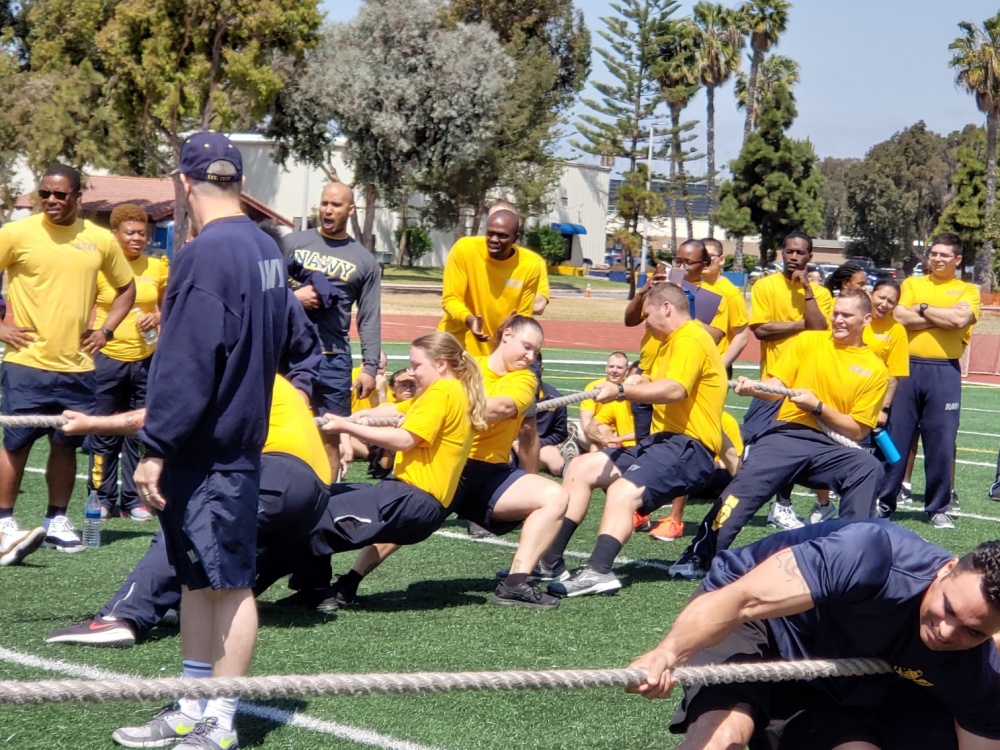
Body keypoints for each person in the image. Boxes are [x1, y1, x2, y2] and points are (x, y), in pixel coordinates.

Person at [119, 132, 292, 750]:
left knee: (228, 581)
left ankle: (219, 717)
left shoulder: (203, 253)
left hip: (208, 449)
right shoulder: (266, 245)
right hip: (233, 442)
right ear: (237, 183)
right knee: (197, 578)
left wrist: (157, 445)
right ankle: (195, 703)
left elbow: (189, 361)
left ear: (186, 185)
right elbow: (299, 341)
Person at [629, 521, 1000, 750]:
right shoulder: (871, 555)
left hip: (835, 672)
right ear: (947, 568)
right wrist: (668, 652)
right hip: (757, 621)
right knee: (724, 738)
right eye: (948, 608)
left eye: (972, 630)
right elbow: (742, 601)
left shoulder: (977, 666)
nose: (946, 631)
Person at [44, 374, 330, 652]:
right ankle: (179, 608)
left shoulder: (225, 373)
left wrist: (92, 423)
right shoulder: (267, 377)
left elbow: (162, 420)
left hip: (279, 475)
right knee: (226, 551)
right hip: (315, 495)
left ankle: (120, 617)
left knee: (186, 531)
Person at [324, 316, 570, 610]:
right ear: (505, 335)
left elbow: (503, 406)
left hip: (491, 475)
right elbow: (409, 406)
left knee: (555, 495)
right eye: (526, 347)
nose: (531, 356)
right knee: (399, 523)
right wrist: (361, 417)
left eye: (536, 351)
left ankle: (515, 583)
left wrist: (448, 405)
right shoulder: (467, 367)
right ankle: (347, 584)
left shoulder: (524, 378)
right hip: (448, 466)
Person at [254, 332, 487, 607]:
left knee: (312, 520)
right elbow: (396, 409)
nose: (411, 373)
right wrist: (357, 415)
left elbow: (406, 439)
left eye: (416, 365)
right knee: (318, 499)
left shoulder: (443, 391)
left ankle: (238, 592)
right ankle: (312, 588)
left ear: (441, 365)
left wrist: (346, 427)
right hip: (408, 498)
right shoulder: (447, 392)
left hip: (411, 500)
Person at [669, 289, 888, 581]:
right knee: (743, 488)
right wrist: (754, 387)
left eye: (846, 315)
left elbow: (858, 429)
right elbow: (774, 387)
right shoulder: (808, 341)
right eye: (835, 313)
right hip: (787, 435)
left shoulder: (875, 370)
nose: (838, 320)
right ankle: (700, 554)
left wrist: (818, 407)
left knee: (868, 467)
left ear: (867, 319)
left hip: (831, 446)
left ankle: (847, 559)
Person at [542, 282, 727, 599]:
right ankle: (548, 562)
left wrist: (624, 390)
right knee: (581, 468)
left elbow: (675, 390)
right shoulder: (669, 343)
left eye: (648, 313)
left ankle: (598, 572)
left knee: (622, 490)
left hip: (688, 446)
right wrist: (636, 379)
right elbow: (652, 379)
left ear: (666, 308)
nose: (646, 321)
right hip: (660, 441)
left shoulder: (692, 338)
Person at [0, 163, 136, 559]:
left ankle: (56, 519)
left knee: (65, 445)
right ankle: (4, 521)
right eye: (45, 194)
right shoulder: (16, 233)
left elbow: (126, 288)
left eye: (61, 194)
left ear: (79, 196)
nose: (52, 201)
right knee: (15, 444)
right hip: (27, 363)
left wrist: (105, 332)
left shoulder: (99, 239)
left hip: (77, 366)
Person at [875, 233, 979, 528]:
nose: (937, 258)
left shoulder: (967, 290)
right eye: (934, 253)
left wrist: (920, 309)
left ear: (957, 260)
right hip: (906, 368)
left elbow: (960, 321)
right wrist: (940, 317)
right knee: (896, 438)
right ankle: (885, 500)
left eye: (944, 255)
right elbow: (899, 317)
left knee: (941, 442)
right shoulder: (911, 284)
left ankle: (937, 507)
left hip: (944, 372)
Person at [282, 182, 382, 477]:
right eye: (324, 203)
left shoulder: (365, 261)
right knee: (283, 428)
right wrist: (294, 297)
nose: (328, 209)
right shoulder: (291, 244)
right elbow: (260, 290)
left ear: (350, 210)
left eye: (336, 205)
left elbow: (369, 317)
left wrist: (370, 367)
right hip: (288, 354)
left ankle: (327, 499)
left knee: (331, 435)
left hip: (333, 359)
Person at [745, 232, 834, 531]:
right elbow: (761, 329)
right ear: (782, 252)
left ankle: (782, 505)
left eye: (800, 253)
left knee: (791, 445)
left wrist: (807, 289)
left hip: (806, 382)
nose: (794, 257)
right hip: (773, 380)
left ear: (810, 257)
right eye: (789, 251)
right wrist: (802, 325)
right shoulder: (765, 286)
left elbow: (821, 330)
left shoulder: (820, 293)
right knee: (751, 439)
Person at [88, 203, 169, 521]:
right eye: (130, 232)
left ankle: (133, 500)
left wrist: (158, 315)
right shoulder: (100, 268)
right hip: (107, 360)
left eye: (142, 232)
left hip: (146, 360)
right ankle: (102, 497)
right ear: (115, 234)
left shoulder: (158, 267)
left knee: (139, 430)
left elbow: (172, 307)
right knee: (104, 432)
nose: (137, 238)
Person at [808, 277, 909, 524]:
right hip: (836, 396)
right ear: (871, 295)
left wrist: (883, 408)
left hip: (867, 403)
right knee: (822, 448)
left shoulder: (895, 331)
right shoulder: (851, 318)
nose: (884, 304)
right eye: (881, 297)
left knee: (861, 458)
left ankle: (863, 508)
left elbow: (893, 375)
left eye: (891, 301)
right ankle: (823, 504)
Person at [702, 238, 749, 377]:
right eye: (700, 257)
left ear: (721, 260)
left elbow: (741, 336)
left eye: (709, 257)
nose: (704, 261)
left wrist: (720, 366)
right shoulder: (694, 286)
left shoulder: (731, 293)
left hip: (715, 366)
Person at [576, 351, 631, 453]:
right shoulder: (594, 387)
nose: (614, 370)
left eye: (619, 367)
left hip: (622, 435)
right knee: (576, 428)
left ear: (627, 371)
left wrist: (615, 437)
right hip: (596, 432)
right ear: (606, 368)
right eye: (611, 366)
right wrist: (601, 437)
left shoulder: (630, 390)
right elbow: (586, 420)